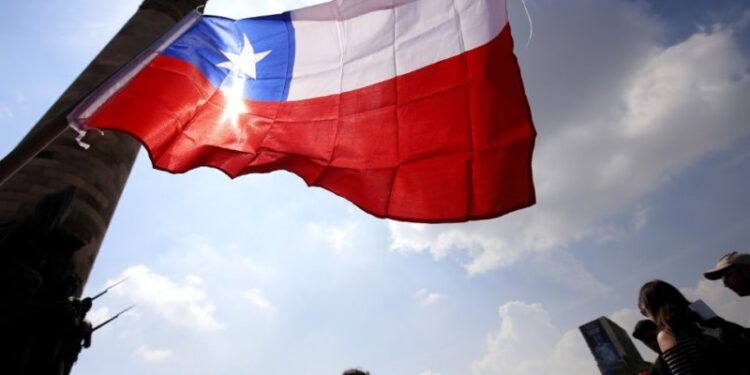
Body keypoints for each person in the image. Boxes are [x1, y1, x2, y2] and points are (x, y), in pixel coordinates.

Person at [638, 280, 727, 374]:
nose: (649, 317)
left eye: (645, 312)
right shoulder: (701, 310)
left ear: (652, 308)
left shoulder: (666, 335)